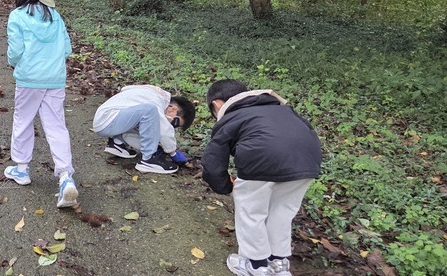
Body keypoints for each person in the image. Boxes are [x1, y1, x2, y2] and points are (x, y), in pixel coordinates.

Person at [202, 79, 322, 276]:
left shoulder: (232, 117)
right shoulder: (283, 110)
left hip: (263, 157)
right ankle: (279, 264)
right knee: (282, 212)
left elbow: (212, 163)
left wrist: (226, 186)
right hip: (308, 160)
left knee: (251, 212)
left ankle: (256, 266)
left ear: (216, 104)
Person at [1, 0, 78, 209]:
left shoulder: (18, 16)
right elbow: (66, 49)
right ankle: (66, 177)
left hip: (29, 80)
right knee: (56, 125)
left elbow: (15, 52)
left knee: (23, 121)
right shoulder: (56, 17)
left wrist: (14, 63)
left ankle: (22, 169)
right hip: (55, 79)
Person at [92, 85, 196, 174]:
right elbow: (165, 130)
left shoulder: (151, 92)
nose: (172, 125)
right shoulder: (156, 100)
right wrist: (172, 152)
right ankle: (148, 160)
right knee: (150, 110)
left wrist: (158, 146)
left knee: (143, 117)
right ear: (173, 109)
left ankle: (117, 142)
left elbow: (125, 89)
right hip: (108, 119)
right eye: (175, 123)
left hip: (106, 119)